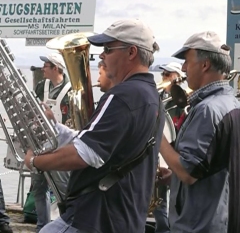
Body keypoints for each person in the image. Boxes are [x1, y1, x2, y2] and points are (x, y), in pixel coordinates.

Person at [24, 18, 165, 233]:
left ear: (131, 52)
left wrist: (35, 161)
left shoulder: (123, 95)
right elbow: (102, 145)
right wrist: (55, 128)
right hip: (123, 218)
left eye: (108, 49)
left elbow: (85, 154)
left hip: (94, 216)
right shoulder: (151, 96)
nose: (101, 56)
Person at [159, 31, 240, 232]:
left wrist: (156, 131)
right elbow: (215, 166)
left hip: (198, 225)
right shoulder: (231, 103)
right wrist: (173, 177)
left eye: (187, 61)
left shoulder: (207, 110)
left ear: (205, 65)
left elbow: (188, 173)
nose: (184, 68)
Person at [31, 52, 72, 233]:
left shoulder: (71, 90)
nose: (42, 69)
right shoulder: (41, 86)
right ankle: (42, 226)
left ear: (56, 68)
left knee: (62, 189)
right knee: (39, 187)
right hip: (41, 144)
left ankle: (67, 223)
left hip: (60, 146)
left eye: (46, 66)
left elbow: (73, 121)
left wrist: (53, 119)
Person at [153, 62, 186, 233]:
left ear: (178, 78)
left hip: (175, 159)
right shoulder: (159, 99)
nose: (164, 77)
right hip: (159, 160)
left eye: (168, 74)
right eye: (163, 74)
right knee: (159, 204)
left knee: (173, 203)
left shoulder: (182, 102)